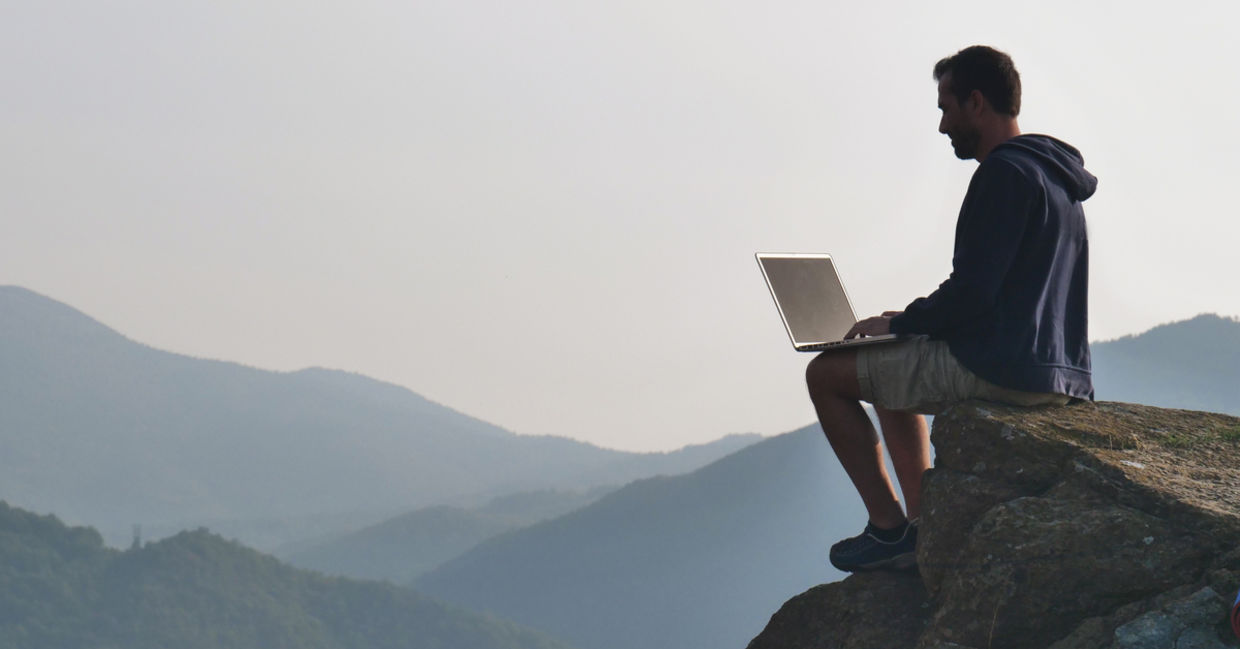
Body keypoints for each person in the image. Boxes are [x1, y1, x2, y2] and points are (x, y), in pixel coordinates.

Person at [805, 45, 1097, 572]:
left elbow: (972, 293)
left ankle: (890, 529)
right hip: (1059, 374)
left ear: (976, 103)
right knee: (889, 365)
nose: (942, 125)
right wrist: (907, 330)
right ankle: (922, 525)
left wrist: (900, 322)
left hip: (1001, 368)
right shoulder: (1057, 180)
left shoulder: (1004, 174)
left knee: (825, 374)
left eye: (946, 108)